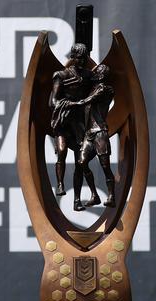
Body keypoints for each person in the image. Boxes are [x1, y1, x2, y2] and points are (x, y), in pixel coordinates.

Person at [49, 43, 99, 210]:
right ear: (72, 58)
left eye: (84, 58)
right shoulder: (61, 75)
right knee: (62, 151)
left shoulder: (88, 76)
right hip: (64, 121)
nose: (82, 61)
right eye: (78, 58)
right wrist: (70, 103)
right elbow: (53, 101)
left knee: (80, 162)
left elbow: (98, 86)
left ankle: (77, 200)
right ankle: (60, 184)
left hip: (79, 124)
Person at [73, 64, 116, 209]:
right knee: (81, 162)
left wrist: (71, 103)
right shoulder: (92, 88)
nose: (95, 73)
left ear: (102, 75)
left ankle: (111, 196)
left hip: (100, 133)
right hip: (89, 133)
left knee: (105, 166)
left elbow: (88, 100)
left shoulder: (105, 89)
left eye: (97, 72)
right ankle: (94, 195)